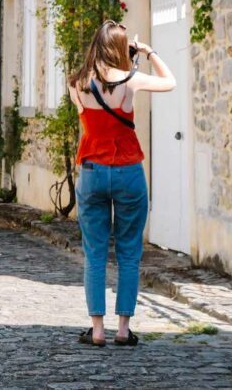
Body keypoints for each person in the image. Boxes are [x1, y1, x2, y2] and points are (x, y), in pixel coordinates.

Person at [69, 20, 176, 347]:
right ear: (121, 47)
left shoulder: (76, 83)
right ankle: (124, 329)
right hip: (128, 171)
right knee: (129, 253)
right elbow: (170, 82)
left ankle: (97, 329)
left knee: (95, 253)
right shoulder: (132, 80)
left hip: (92, 171)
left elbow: (86, 122)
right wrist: (148, 52)